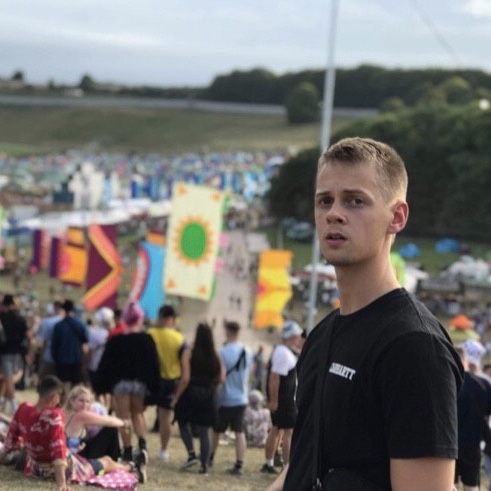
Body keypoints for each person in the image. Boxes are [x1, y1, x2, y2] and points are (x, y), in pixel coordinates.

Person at [268, 137, 464, 491]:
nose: (334, 213)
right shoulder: (323, 335)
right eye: (324, 201)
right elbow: (304, 465)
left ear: (397, 216)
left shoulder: (414, 347)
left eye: (355, 201)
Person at [0, 376, 144, 491]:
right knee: (106, 461)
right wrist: (61, 484)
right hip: (64, 468)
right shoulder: (54, 416)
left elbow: (11, 439)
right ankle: (132, 468)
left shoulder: (24, 409)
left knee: (102, 460)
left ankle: (130, 466)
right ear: (54, 396)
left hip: (35, 467)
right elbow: (58, 449)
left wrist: (4, 456)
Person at [94, 300, 160, 465]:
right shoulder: (147, 339)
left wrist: (101, 385)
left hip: (120, 384)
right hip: (140, 384)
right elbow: (153, 364)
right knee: (138, 414)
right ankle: (143, 445)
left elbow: (105, 364)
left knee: (123, 417)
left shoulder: (116, 340)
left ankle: (128, 450)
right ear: (139, 319)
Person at [174, 322, 224, 474]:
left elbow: (185, 378)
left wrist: (176, 398)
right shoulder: (216, 355)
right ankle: (204, 466)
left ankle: (191, 453)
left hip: (191, 393)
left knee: (182, 421)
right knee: (204, 431)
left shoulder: (189, 352)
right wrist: (213, 392)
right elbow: (221, 378)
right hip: (208, 393)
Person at [147, 304, 190, 462]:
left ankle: (141, 444)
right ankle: (164, 450)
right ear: (171, 319)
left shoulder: (150, 333)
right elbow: (185, 367)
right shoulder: (179, 338)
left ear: (160, 316)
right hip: (171, 381)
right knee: (166, 418)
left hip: (151, 379)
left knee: (139, 412)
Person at [211, 320, 253, 476]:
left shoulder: (222, 351)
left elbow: (219, 375)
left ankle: (210, 457)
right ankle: (239, 464)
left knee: (216, 430)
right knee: (239, 431)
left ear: (227, 332)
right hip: (241, 397)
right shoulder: (247, 351)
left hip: (225, 397)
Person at [261, 320, 302, 475]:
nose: (299, 338)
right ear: (291, 337)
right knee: (288, 433)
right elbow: (274, 378)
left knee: (277, 430)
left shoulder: (282, 351)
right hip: (284, 400)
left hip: (284, 399)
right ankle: (287, 467)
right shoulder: (283, 353)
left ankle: (269, 463)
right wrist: (274, 401)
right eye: (297, 335)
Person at [454, 347, 491, 491]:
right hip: (473, 444)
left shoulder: (444, 383)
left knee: (447, 485)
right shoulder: (482, 384)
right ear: (466, 360)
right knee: (471, 486)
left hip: (447, 443)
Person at [64, 385, 124, 463]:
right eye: (81, 401)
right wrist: (123, 423)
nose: (85, 405)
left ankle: (113, 461)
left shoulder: (67, 413)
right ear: (72, 401)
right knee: (111, 429)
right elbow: (109, 421)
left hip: (73, 454)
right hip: (79, 458)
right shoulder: (81, 415)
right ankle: (114, 461)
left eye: (87, 401)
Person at [50, 299, 89, 393]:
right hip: (76, 358)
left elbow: (54, 345)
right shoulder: (80, 324)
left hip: (61, 359)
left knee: (64, 384)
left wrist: (55, 358)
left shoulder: (58, 326)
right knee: (76, 383)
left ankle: (66, 402)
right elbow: (85, 340)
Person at [0, 294, 29, 416]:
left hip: (4, 352)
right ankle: (8, 402)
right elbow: (27, 336)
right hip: (17, 351)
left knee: (8, 377)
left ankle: (11, 402)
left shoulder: (2, 318)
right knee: (14, 375)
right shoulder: (21, 319)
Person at [36, 300, 64, 380]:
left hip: (49, 355)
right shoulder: (66, 322)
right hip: (63, 358)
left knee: (45, 380)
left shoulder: (48, 322)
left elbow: (44, 341)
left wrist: (41, 355)